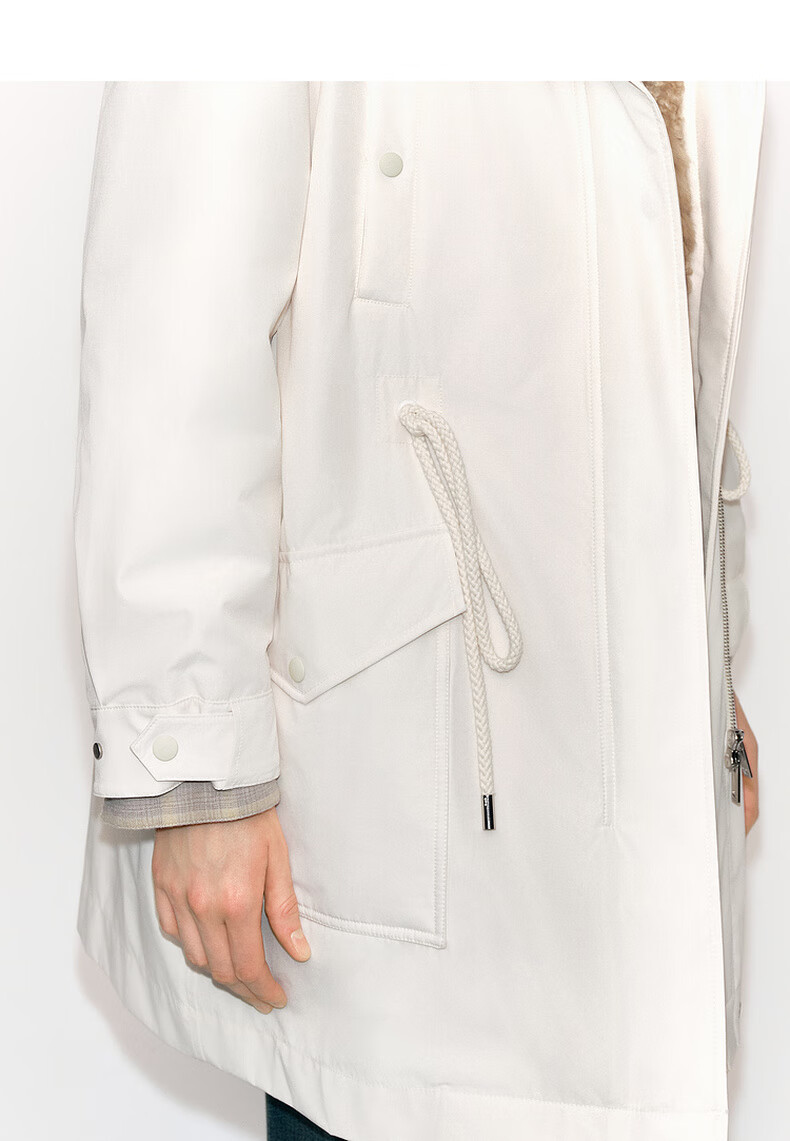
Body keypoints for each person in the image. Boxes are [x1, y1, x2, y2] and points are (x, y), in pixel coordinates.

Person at [73, 81, 763, 1141]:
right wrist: (192, 768)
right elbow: (174, 324)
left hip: (611, 752)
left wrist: (697, 659)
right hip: (392, 757)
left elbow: (661, 283)